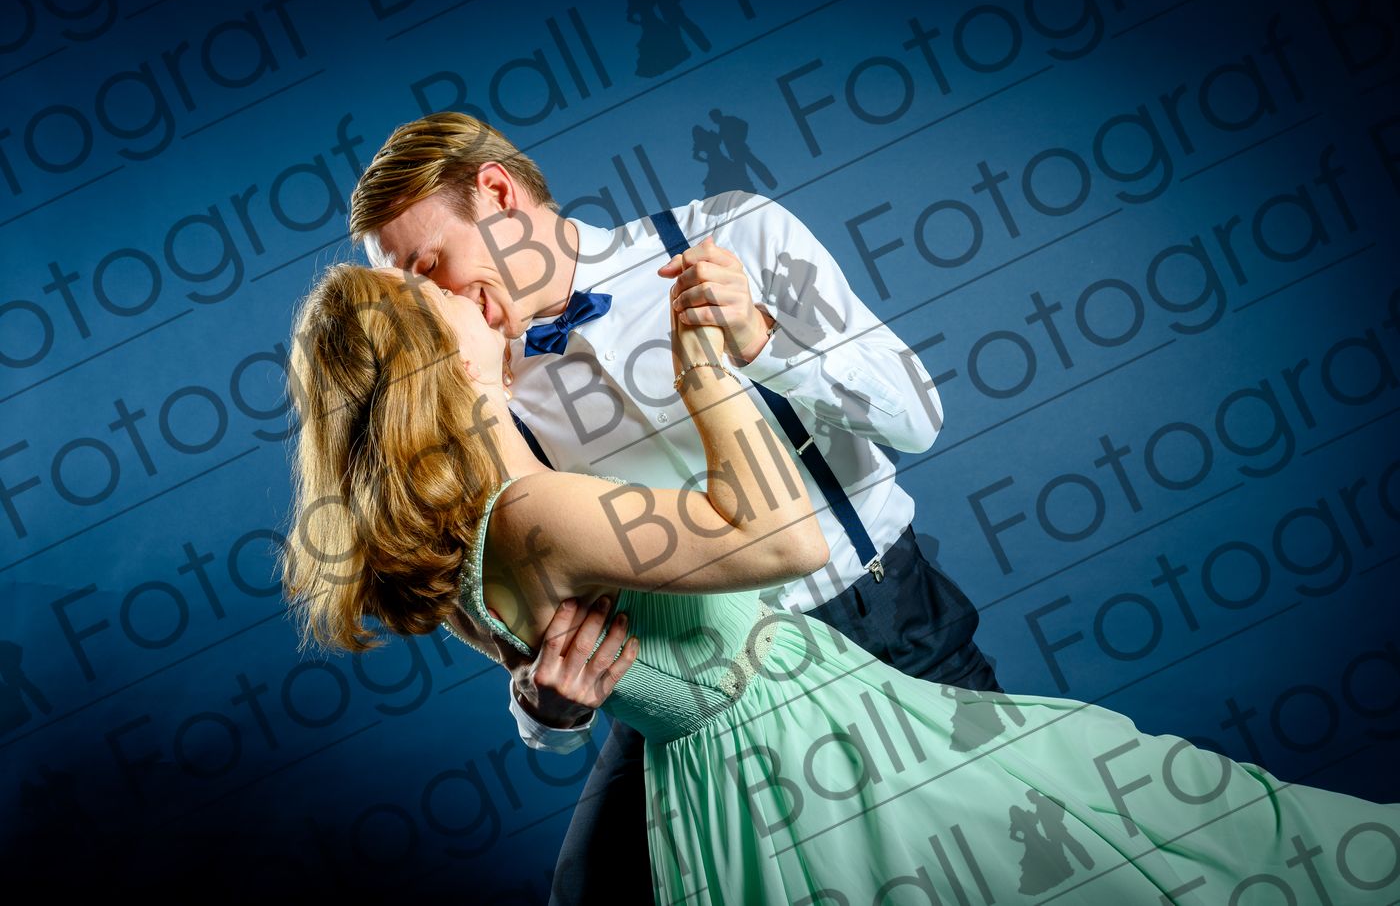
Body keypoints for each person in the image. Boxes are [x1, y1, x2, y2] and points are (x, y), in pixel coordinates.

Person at [281, 263, 1400, 905]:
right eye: (429, 292)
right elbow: (782, 536)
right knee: (1171, 842)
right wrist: (704, 367)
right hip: (808, 764)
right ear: (426, 350)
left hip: (808, 734)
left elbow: (566, 636)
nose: (469, 292)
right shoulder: (528, 510)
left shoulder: (477, 518)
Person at [345, 111, 1002, 906]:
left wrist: (764, 341)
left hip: (884, 622)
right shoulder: (477, 381)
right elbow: (513, 605)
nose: (434, 301)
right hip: (700, 687)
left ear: (497, 191)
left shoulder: (736, 232)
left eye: (431, 265)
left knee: (1007, 862)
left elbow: (917, 418)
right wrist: (545, 710)